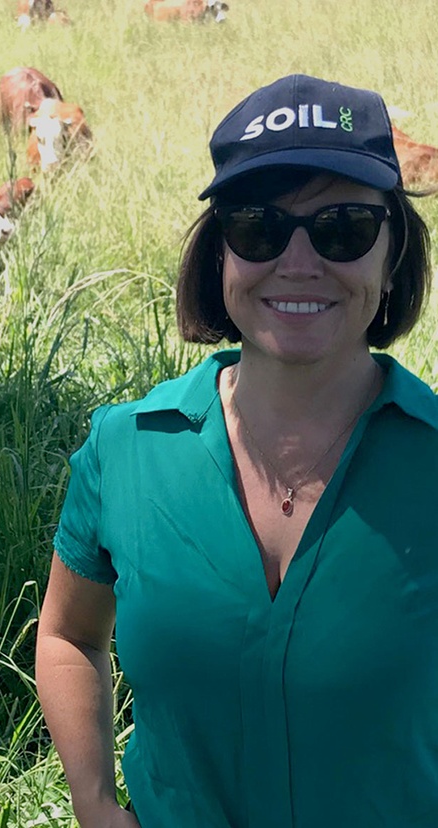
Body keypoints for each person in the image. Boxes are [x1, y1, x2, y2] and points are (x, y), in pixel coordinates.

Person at [35, 73, 437, 828]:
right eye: (258, 226)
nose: (298, 261)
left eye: (343, 227)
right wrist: (93, 802)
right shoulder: (125, 450)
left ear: (393, 256)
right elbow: (66, 634)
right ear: (220, 254)